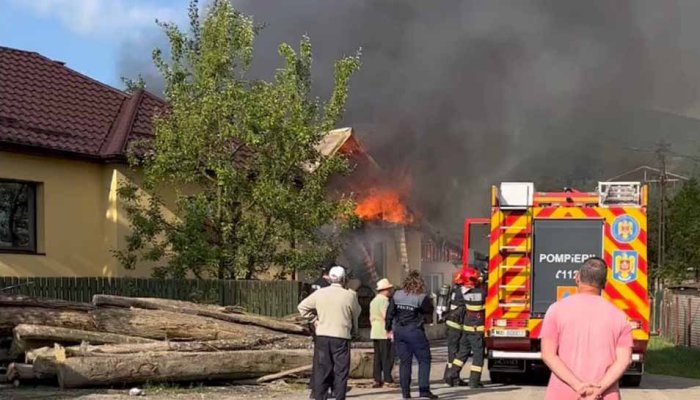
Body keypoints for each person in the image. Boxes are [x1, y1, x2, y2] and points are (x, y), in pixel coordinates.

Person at [541, 257, 633, 400]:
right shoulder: (620, 317)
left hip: (562, 394)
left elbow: (548, 355)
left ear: (577, 278)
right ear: (605, 284)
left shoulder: (555, 310)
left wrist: (578, 386)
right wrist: (599, 389)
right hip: (605, 395)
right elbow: (624, 360)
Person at [298, 266, 361, 400]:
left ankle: (319, 397)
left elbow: (302, 307)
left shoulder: (320, 293)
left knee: (322, 370)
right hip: (341, 337)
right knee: (340, 371)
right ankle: (339, 397)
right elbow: (357, 313)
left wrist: (314, 319)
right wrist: (355, 331)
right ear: (344, 279)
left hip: (322, 336)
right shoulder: (350, 295)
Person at [386, 271, 438, 399]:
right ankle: (424, 390)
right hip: (415, 331)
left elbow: (389, 314)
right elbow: (429, 311)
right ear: (420, 283)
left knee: (405, 362)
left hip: (399, 331)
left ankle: (405, 393)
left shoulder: (396, 295)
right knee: (424, 360)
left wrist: (388, 329)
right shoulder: (421, 297)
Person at [447, 267, 486, 388]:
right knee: (478, 356)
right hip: (477, 328)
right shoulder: (481, 293)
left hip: (467, 327)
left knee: (462, 353)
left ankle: (452, 374)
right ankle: (474, 381)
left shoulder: (463, 293)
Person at [442, 270, 468, 386]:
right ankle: (452, 377)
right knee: (455, 352)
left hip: (451, 323)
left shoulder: (454, 290)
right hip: (456, 325)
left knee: (452, 352)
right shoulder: (462, 292)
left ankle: (449, 376)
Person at [370, 278, 396, 388]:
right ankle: (387, 379)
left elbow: (370, 317)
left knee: (377, 357)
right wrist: (390, 330)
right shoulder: (384, 301)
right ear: (385, 290)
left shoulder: (373, 301)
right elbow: (386, 316)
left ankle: (377, 379)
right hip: (384, 332)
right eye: (389, 289)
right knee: (387, 357)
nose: (390, 291)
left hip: (375, 331)